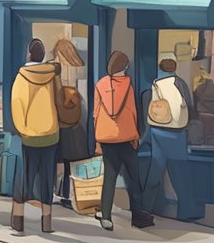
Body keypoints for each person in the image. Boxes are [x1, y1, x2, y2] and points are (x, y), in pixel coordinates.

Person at [92, 51, 154, 231]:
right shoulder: (128, 85)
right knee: (133, 177)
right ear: (125, 67)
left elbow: (96, 114)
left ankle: (106, 216)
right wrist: (135, 136)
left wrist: (97, 140)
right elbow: (132, 112)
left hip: (106, 137)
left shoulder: (100, 85)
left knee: (109, 177)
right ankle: (137, 215)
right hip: (126, 136)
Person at [10, 39, 60, 235]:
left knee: (24, 177)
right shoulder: (51, 76)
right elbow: (58, 100)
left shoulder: (21, 78)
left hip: (29, 136)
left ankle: (18, 219)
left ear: (29, 55)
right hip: (51, 134)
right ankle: (46, 223)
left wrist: (23, 129)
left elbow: (17, 104)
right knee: (48, 177)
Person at [141, 54, 199, 221]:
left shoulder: (155, 84)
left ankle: (146, 208)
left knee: (155, 171)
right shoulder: (180, 83)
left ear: (160, 68)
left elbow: (151, 109)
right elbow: (189, 105)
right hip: (177, 133)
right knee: (180, 174)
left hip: (158, 131)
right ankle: (187, 212)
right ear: (174, 68)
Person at [51, 38, 89, 210]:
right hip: (75, 124)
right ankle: (67, 194)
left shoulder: (55, 72)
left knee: (57, 162)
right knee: (69, 165)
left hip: (59, 124)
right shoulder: (81, 70)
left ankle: (58, 193)